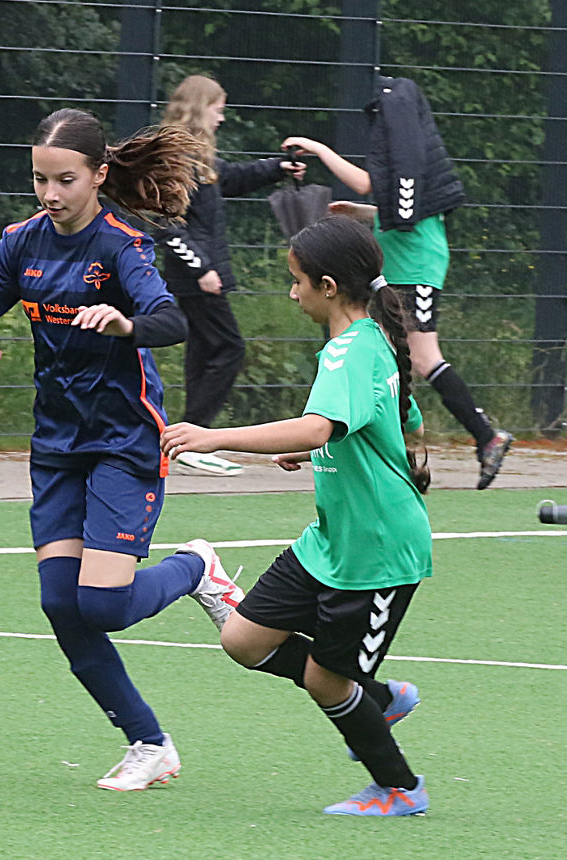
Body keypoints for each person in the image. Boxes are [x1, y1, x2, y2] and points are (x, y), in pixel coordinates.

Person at [0, 108, 245, 792]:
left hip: (125, 443)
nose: (50, 193)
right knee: (59, 602)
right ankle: (148, 743)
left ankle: (194, 567)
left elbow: (170, 321)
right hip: (58, 447)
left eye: (65, 179)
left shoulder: (122, 246)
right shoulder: (20, 244)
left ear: (99, 176)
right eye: (40, 179)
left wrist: (125, 322)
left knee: (101, 604)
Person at [161, 215, 433, 816]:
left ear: (329, 287)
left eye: (297, 281)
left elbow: (323, 422)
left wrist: (215, 438)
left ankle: (399, 787)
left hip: (377, 553)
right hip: (331, 542)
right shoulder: (368, 342)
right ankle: (378, 695)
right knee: (242, 638)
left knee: (325, 680)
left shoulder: (349, 351)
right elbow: (398, 423)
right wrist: (319, 446)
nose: (292, 292)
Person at [283, 75, 514, 489]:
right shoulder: (411, 161)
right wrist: (364, 214)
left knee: (422, 358)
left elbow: (378, 190)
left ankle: (487, 437)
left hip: (417, 267)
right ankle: (389, 444)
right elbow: (392, 206)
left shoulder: (410, 158)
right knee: (387, 357)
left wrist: (317, 149)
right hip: (401, 264)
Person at [153, 74, 304, 477]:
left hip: (202, 273)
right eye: (218, 109)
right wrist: (201, 268)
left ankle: (183, 442)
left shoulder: (197, 155)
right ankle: (191, 440)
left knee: (204, 352)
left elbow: (230, 178)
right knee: (229, 348)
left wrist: (277, 167)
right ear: (201, 107)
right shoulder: (176, 157)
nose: (221, 117)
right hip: (197, 275)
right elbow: (165, 223)